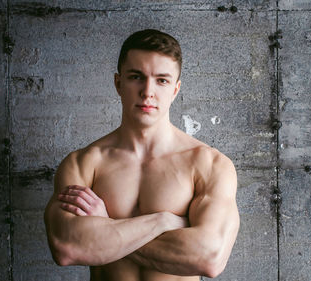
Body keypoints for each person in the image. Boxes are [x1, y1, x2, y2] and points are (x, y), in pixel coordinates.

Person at [44, 29, 240, 280]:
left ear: (175, 89)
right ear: (118, 83)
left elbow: (210, 258)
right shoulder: (84, 163)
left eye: (162, 80)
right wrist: (162, 221)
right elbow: (66, 248)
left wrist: (108, 230)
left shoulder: (208, 164)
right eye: (137, 77)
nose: (148, 91)